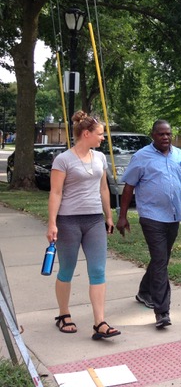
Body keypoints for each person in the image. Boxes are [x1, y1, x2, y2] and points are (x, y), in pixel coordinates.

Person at [116, 119, 181, 329]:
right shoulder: (141, 157)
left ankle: (144, 292)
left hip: (173, 216)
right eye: (161, 134)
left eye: (168, 134)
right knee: (160, 261)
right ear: (153, 135)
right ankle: (162, 312)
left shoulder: (179, 155)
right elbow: (129, 188)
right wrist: (122, 216)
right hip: (151, 217)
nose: (166, 137)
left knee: (161, 258)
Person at [47, 111, 120, 341]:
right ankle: (63, 314)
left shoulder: (99, 158)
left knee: (98, 270)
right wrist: (52, 223)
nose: (102, 138)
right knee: (66, 270)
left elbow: (103, 189)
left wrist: (108, 216)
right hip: (68, 221)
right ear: (86, 134)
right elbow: (56, 192)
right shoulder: (63, 160)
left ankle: (99, 322)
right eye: (100, 134)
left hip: (94, 221)